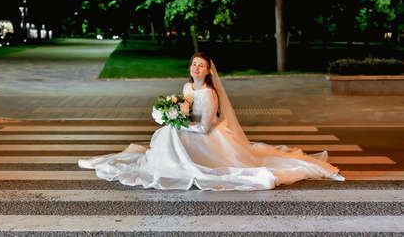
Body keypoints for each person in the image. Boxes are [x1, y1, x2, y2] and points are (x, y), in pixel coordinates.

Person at [78, 52, 344, 190]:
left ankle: (181, 165)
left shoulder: (210, 93)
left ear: (208, 71)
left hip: (208, 135)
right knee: (167, 134)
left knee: (171, 135)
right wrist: (173, 115)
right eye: (194, 64)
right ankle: (171, 163)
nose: (196, 68)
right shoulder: (186, 87)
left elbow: (205, 126)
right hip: (191, 129)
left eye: (201, 66)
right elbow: (185, 110)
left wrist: (180, 125)